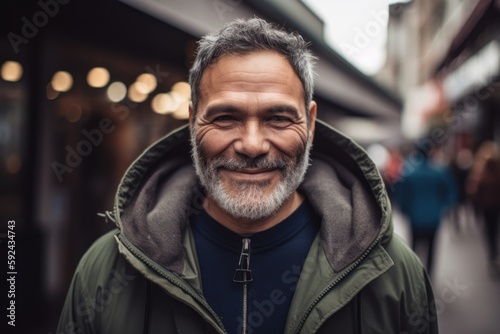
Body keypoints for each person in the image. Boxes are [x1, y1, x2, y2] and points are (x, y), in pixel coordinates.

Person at [57, 18, 438, 334]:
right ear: (192, 123)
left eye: (278, 118)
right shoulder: (104, 272)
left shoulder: (395, 276)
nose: (253, 145)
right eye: (226, 118)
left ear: (311, 122)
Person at [392, 143, 457, 277]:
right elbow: (451, 194)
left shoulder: (409, 172)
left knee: (415, 246)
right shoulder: (440, 172)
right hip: (434, 217)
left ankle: (415, 275)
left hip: (415, 217)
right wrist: (441, 206)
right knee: (432, 247)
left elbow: (401, 195)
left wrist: (404, 210)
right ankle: (429, 275)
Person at [466, 141, 500, 278]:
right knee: (493, 232)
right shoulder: (497, 173)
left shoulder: (481, 174)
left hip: (487, 207)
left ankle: (493, 258)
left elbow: (472, 192)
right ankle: (495, 258)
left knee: (490, 234)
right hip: (495, 206)